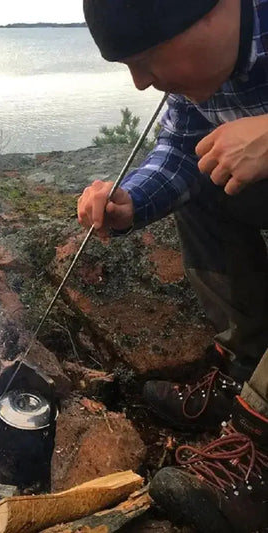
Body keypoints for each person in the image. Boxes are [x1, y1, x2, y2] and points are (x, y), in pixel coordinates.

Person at [79, 0, 268, 531]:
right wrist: (131, 201)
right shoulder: (196, 82)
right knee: (206, 179)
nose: (142, 84)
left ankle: (260, 445)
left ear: (216, 12)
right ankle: (246, 370)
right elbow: (183, 145)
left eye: (148, 58)